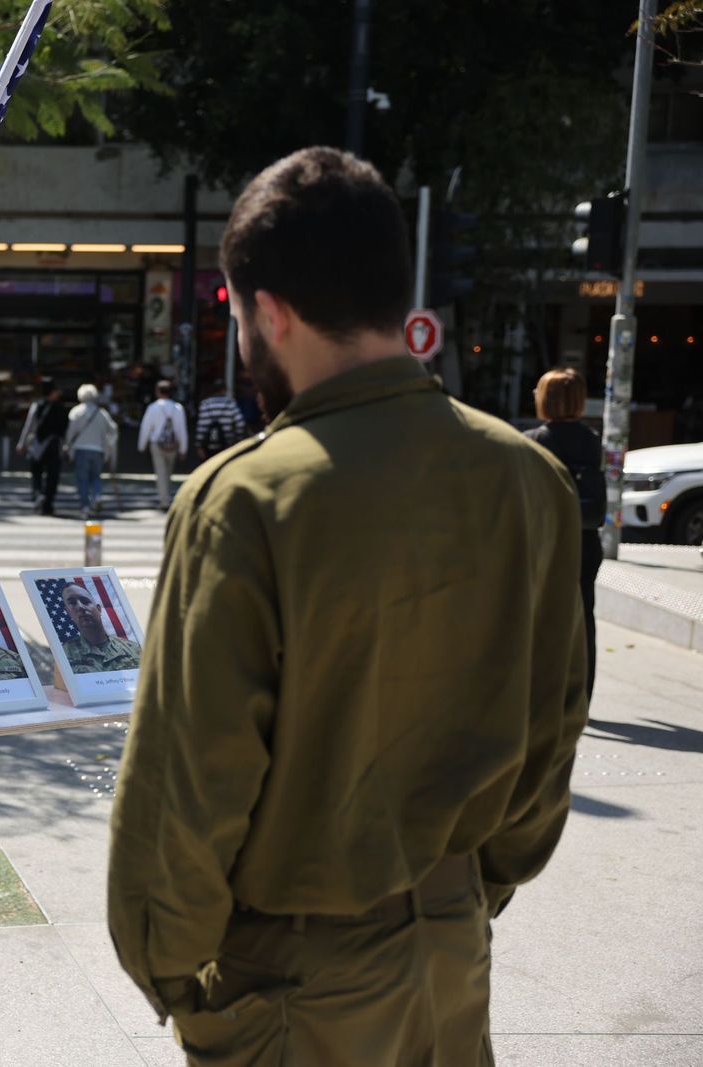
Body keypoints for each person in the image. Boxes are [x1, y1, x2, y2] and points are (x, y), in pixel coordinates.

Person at [108, 147, 587, 1066]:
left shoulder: (244, 498)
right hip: (451, 952)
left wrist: (178, 980)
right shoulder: (529, 479)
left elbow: (188, 784)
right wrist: (465, 890)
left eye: (241, 316)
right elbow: (553, 728)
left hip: (291, 979)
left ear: (270, 313)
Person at [525, 368, 605, 697]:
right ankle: (582, 691)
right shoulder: (592, 441)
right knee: (583, 614)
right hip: (585, 541)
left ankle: (545, 688)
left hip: (547, 540)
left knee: (541, 616)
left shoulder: (533, 441)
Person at [57, 582, 140, 674]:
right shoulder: (63, 655)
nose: (80, 606)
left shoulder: (133, 649)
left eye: (85, 601)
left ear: (99, 609)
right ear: (68, 613)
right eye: (72, 603)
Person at [63, 383, 118, 519]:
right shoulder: (101, 413)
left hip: (80, 449)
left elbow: (70, 432)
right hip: (98, 450)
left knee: (82, 479)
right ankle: (97, 496)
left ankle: (85, 506)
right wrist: (109, 445)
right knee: (96, 477)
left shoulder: (76, 412)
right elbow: (113, 430)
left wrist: (67, 446)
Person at [15, 379, 68, 515]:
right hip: (55, 446)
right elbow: (66, 430)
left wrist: (22, 444)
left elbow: (29, 426)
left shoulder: (37, 406)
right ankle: (47, 503)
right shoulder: (61, 408)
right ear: (53, 392)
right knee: (52, 476)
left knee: (36, 473)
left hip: (38, 445)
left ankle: (38, 494)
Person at [136, 379, 188, 511]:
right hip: (173, 444)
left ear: (157, 392)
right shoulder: (178, 408)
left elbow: (146, 428)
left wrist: (142, 445)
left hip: (157, 443)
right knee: (168, 472)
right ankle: (166, 497)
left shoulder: (153, 408)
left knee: (160, 472)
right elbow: (182, 429)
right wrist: (183, 448)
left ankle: (164, 500)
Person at [194, 388, 247, 460]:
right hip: (227, 445)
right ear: (224, 390)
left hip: (208, 446)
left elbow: (201, 427)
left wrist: (199, 446)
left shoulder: (205, 404)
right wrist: (238, 440)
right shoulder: (230, 403)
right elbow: (240, 423)